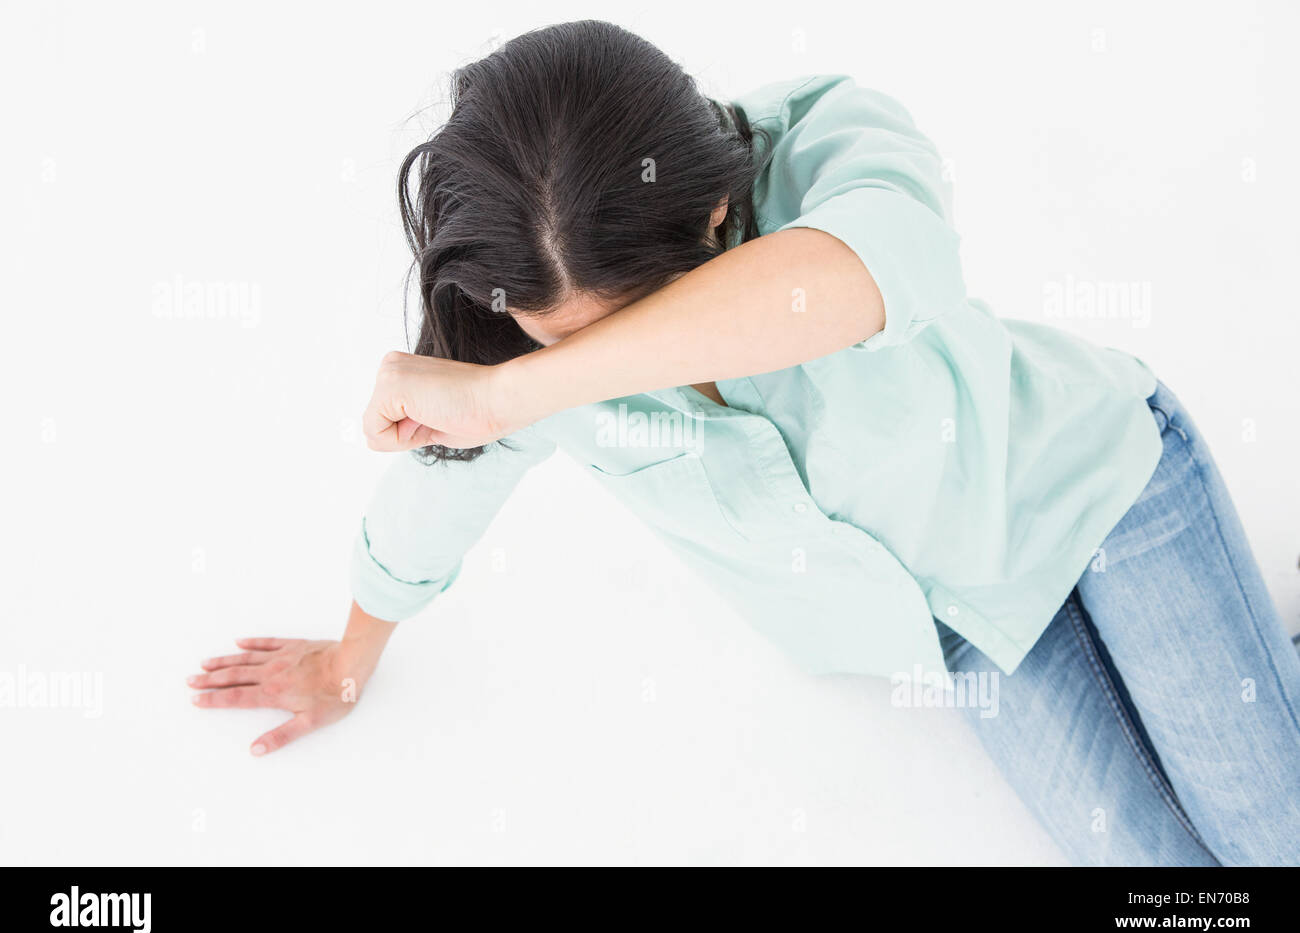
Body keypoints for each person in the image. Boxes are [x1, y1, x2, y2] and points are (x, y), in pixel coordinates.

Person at [189, 20, 1300, 865]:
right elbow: (435, 499)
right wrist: (348, 656)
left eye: (621, 319)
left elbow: (859, 281)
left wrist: (520, 389)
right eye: (550, 336)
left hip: (1099, 488)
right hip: (961, 626)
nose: (568, 358)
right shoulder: (506, 343)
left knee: (1272, 838)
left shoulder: (826, 137)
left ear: (716, 217)